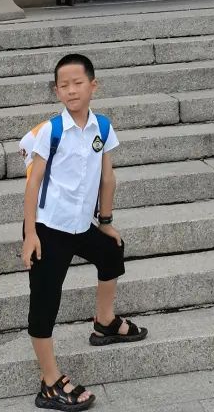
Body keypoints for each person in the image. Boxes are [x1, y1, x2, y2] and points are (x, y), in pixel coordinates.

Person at [20, 52, 148, 409]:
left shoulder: (102, 128)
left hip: (81, 225)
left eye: (78, 83)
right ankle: (49, 382)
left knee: (111, 251)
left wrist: (105, 222)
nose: (71, 90)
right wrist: (30, 235)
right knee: (45, 302)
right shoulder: (51, 131)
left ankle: (104, 321)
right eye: (64, 86)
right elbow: (33, 184)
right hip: (48, 228)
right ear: (56, 91)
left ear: (93, 86)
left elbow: (108, 178)